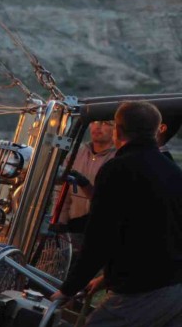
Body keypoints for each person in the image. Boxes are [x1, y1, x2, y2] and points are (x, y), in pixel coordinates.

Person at [51, 101, 182, 326]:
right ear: (155, 130)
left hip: (141, 293)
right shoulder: (174, 172)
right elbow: (151, 231)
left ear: (117, 131)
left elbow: (101, 237)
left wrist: (67, 289)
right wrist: (104, 279)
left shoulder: (117, 169)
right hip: (175, 291)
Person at [55, 121, 116, 254]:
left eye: (106, 123)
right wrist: (60, 223)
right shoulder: (76, 155)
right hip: (73, 228)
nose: (98, 126)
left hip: (101, 232)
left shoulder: (117, 159)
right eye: (94, 122)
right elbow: (62, 192)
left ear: (116, 129)